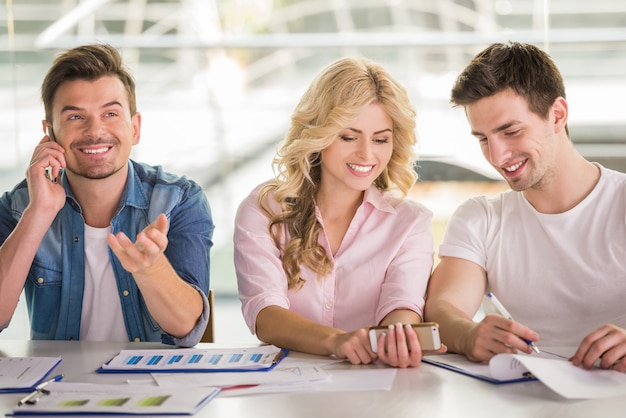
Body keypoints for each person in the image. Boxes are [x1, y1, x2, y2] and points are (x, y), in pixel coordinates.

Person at [424, 42, 626, 371]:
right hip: (523, 397)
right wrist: (469, 334)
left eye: (511, 131)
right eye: (483, 139)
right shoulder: (482, 218)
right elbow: (442, 308)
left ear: (557, 115)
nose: (497, 156)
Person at [234, 57, 445, 368]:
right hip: (285, 390)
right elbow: (265, 314)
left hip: (376, 384)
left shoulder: (410, 222)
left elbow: (402, 305)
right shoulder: (263, 210)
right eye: (348, 137)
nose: (367, 154)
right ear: (318, 133)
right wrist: (336, 341)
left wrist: (399, 336)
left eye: (381, 139)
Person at [0, 44, 214, 347]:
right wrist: (40, 213)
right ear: (49, 133)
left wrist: (150, 268)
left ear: (135, 127)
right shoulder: (20, 206)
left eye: (110, 113)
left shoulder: (180, 200)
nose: (95, 130)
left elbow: (187, 329)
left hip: (155, 385)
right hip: (56, 387)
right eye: (75, 117)